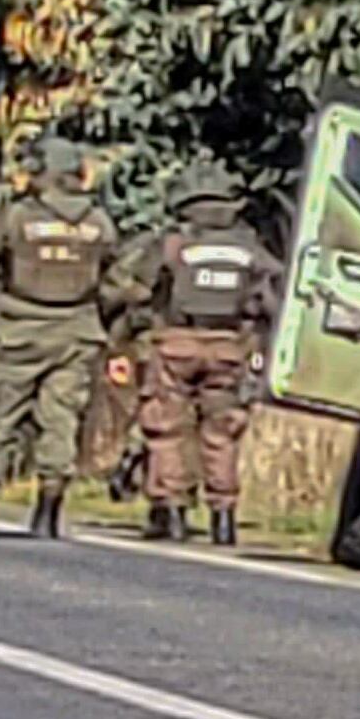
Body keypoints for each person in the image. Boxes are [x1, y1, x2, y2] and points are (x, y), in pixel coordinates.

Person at [0, 134, 122, 538]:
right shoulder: (98, 222)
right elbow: (116, 279)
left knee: (0, 414)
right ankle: (48, 513)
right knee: (61, 420)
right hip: (78, 331)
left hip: (20, 327)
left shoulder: (17, 216)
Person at [114, 158, 282, 545]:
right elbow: (271, 299)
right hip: (229, 349)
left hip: (176, 344)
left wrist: (128, 329)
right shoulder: (251, 247)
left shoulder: (175, 243)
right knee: (222, 433)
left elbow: (138, 289)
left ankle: (173, 511)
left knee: (168, 428)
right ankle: (223, 518)